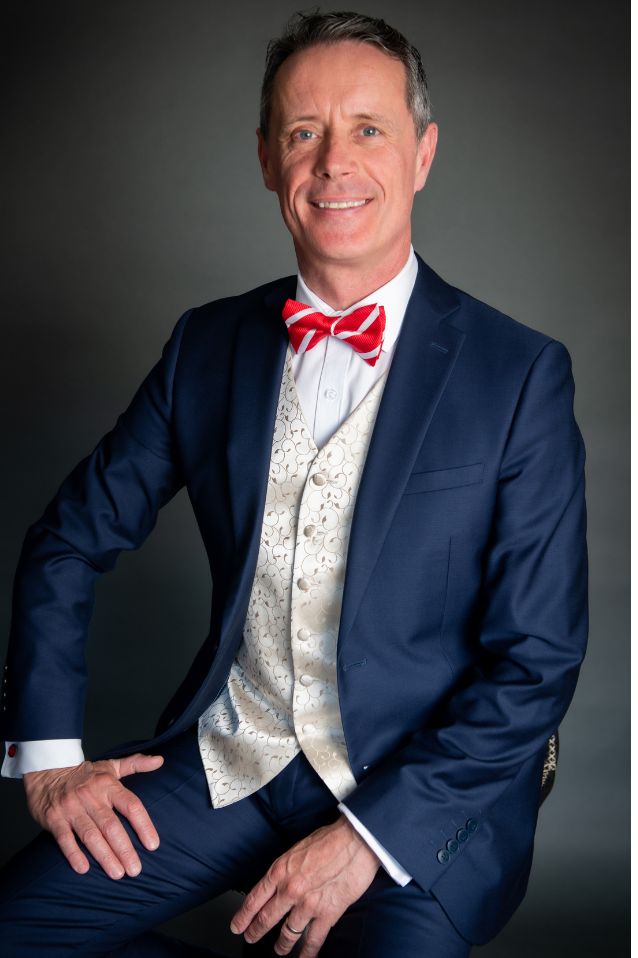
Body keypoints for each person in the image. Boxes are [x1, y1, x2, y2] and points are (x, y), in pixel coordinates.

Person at [0, 10, 588, 958]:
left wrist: (368, 840)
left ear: (423, 153)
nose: (333, 163)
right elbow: (68, 539)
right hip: (232, 761)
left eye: (369, 129)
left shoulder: (518, 373)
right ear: (268, 160)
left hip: (418, 800)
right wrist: (48, 759)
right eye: (304, 132)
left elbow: (538, 661)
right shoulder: (207, 346)